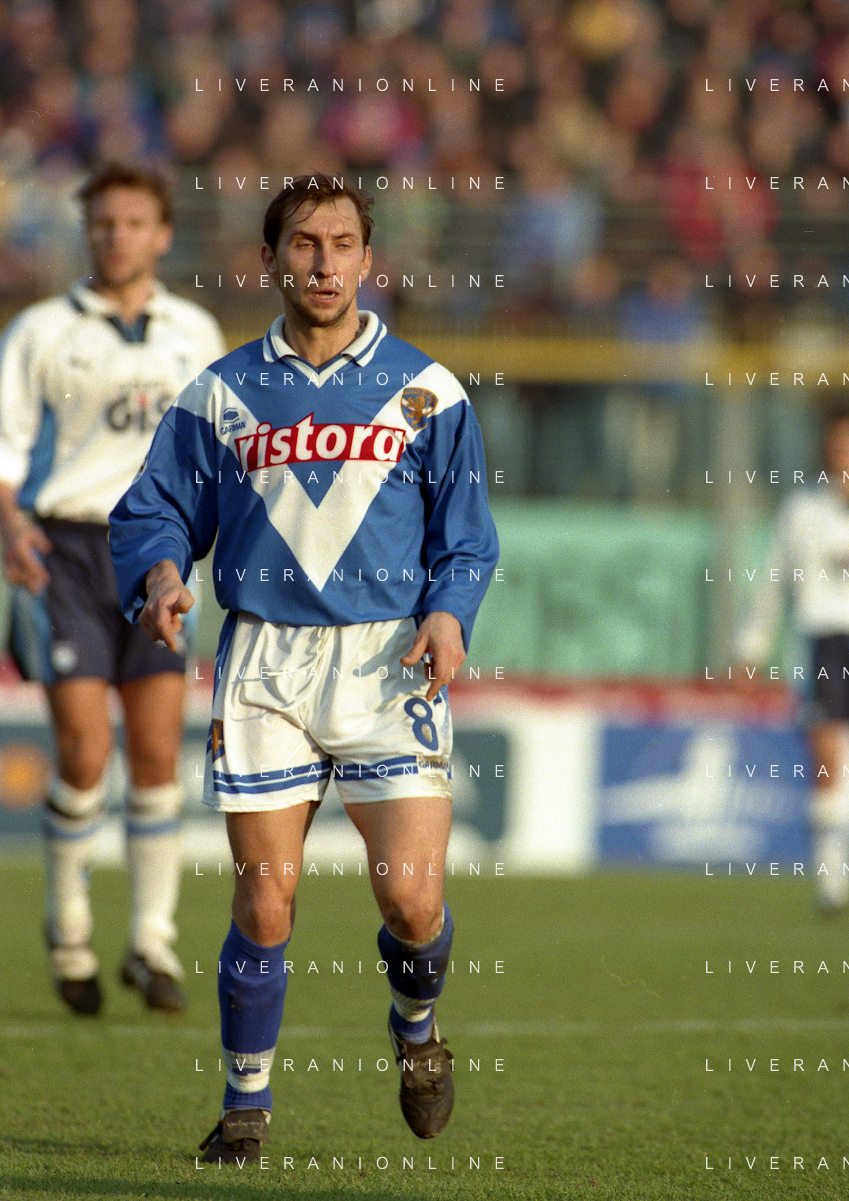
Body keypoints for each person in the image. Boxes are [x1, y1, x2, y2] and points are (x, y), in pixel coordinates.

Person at [109, 174, 499, 1159]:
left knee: (411, 901)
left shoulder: (428, 390)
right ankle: (246, 1105)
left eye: (341, 245)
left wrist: (449, 613)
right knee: (265, 898)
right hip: (265, 663)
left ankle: (417, 1027)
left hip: (387, 661)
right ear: (271, 258)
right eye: (304, 244)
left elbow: (465, 535)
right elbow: (156, 507)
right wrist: (162, 574)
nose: (323, 263)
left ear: (368, 259)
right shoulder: (222, 392)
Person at [0, 162, 227, 1016]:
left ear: (161, 234)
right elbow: (5, 446)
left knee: (159, 752)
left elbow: (219, 450)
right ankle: (69, 929)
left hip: (159, 555)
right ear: (86, 231)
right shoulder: (41, 330)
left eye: (133, 222)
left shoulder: (193, 331)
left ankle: (152, 941)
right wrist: (10, 526)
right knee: (87, 751)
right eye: (103, 223)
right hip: (66, 549)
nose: (116, 236)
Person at [735, 406, 849, 912]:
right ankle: (830, 879)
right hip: (824, 641)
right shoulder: (802, 510)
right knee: (826, 757)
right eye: (838, 446)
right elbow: (773, 581)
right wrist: (752, 648)